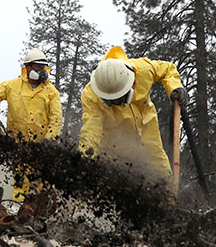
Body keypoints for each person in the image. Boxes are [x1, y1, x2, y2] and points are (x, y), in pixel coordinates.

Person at [79, 46, 188, 183]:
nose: (116, 104)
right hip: (116, 141)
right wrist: (85, 160)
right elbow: (91, 130)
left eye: (119, 99)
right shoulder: (91, 95)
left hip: (147, 126)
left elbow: (167, 69)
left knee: (160, 170)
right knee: (118, 180)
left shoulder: (143, 69)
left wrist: (174, 86)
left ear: (129, 86)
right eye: (111, 101)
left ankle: (170, 200)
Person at [0, 49, 63, 200]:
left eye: (44, 67)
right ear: (27, 67)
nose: (41, 71)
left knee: (40, 183)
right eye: (38, 67)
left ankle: (38, 214)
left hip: (41, 147)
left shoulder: (51, 92)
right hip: (18, 144)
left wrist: (48, 141)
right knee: (20, 181)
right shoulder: (12, 86)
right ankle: (18, 209)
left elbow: (56, 118)